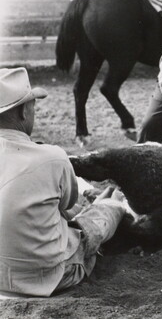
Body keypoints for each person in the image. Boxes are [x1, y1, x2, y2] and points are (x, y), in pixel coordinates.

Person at [0, 68, 126, 297]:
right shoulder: (51, 156)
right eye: (32, 106)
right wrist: (100, 207)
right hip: (49, 276)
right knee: (107, 210)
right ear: (22, 113)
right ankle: (115, 206)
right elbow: (68, 205)